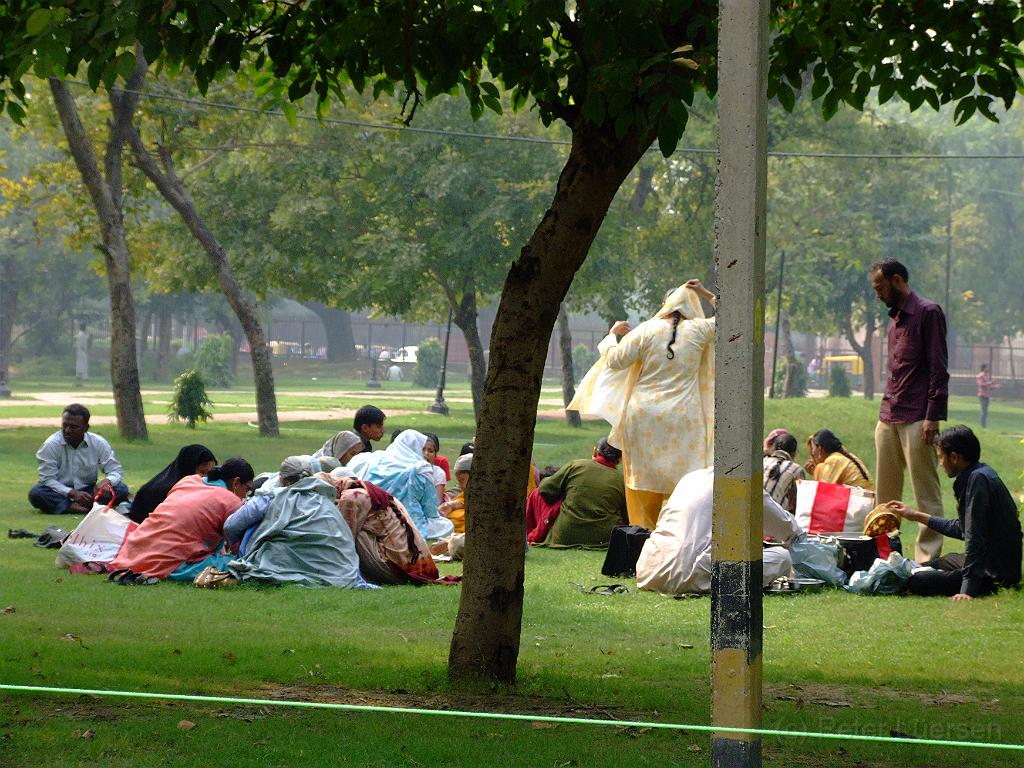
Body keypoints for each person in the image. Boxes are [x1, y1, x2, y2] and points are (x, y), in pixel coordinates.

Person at [569, 278, 715, 530]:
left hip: (643, 416)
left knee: (641, 479)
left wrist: (611, 336)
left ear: (666, 304)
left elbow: (614, 361)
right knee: (683, 480)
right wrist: (704, 292)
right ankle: (677, 540)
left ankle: (642, 538)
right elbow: (733, 317)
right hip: (684, 417)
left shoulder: (646, 329)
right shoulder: (700, 330)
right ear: (692, 305)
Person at [870, 258, 949, 561]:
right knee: (885, 494)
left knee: (924, 493)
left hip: (919, 416)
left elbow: (938, 367)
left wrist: (933, 415)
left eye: (880, 286)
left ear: (898, 279)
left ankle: (926, 561)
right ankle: (885, 554)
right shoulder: (895, 319)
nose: (877, 293)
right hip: (889, 413)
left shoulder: (928, 312)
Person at [890, 426, 1021, 600]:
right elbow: (963, 528)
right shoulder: (978, 474)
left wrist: (967, 591)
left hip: (994, 573)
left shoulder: (978, 480)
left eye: (941, 458)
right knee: (930, 564)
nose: (941, 464)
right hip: (987, 562)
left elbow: (975, 538)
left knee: (916, 580)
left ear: (954, 457)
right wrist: (915, 515)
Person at [636, 467, 802, 595]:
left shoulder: (690, 478)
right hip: (685, 574)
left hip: (649, 569)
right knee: (783, 557)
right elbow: (786, 529)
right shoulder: (742, 482)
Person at [225, 457, 372, 588]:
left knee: (253, 524)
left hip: (282, 564)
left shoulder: (270, 498)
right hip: (339, 571)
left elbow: (232, 526)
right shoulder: (326, 502)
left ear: (282, 479)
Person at [108, 458, 255, 583]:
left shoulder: (189, 481)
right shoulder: (231, 501)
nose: (245, 495)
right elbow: (238, 548)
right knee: (237, 565)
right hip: (170, 561)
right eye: (247, 489)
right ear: (236, 483)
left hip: (133, 551)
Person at [328, 473, 440, 585]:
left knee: (349, 532)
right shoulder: (369, 490)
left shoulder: (351, 497)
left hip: (398, 572)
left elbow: (342, 541)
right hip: (418, 568)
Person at [348, 429, 454, 540]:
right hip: (409, 524)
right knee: (446, 525)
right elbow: (431, 511)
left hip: (371, 519)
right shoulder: (421, 470)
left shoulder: (375, 462)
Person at [28, 404, 130, 515]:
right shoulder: (51, 445)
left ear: (86, 428)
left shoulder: (98, 443)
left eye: (73, 427)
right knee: (37, 493)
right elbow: (48, 479)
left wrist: (107, 482)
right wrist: (72, 493)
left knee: (121, 488)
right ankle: (80, 507)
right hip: (60, 491)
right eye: (65, 425)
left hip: (89, 491)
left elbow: (115, 470)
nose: (67, 430)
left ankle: (72, 506)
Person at [527, 438, 627, 548]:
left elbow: (545, 489)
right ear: (620, 458)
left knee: (536, 493)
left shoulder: (576, 465)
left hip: (565, 536)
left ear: (595, 451)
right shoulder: (622, 480)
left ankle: (529, 533)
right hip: (604, 539)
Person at [127, 444, 217, 524]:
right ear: (188, 468)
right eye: (203, 472)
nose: (207, 478)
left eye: (212, 472)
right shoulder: (163, 493)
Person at [806, 429, 871, 489]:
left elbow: (825, 490)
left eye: (813, 448)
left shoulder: (833, 460)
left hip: (858, 498)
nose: (812, 453)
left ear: (819, 448)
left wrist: (817, 470)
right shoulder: (845, 457)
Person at [762, 431, 805, 513]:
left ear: (773, 447)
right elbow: (797, 505)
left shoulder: (763, 461)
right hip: (775, 517)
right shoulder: (797, 470)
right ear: (794, 453)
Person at [439, 453, 472, 534]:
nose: (460, 485)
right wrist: (453, 504)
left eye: (461, 480)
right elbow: (462, 499)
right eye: (458, 481)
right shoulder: (466, 491)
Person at [976, 363, 995, 429]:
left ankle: (984, 425)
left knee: (985, 411)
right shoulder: (980, 376)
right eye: (987, 367)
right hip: (982, 395)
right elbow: (981, 384)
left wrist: (995, 386)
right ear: (983, 368)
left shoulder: (986, 376)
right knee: (984, 411)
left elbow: (988, 386)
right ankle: (982, 426)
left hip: (987, 395)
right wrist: (990, 383)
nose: (988, 368)